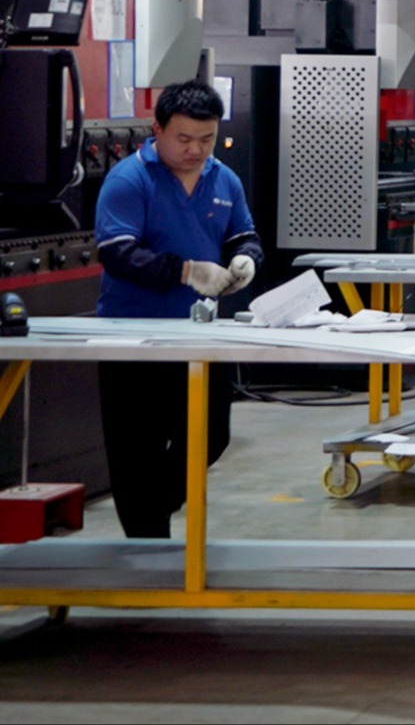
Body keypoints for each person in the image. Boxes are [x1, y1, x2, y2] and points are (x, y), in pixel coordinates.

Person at [92, 80, 263, 539]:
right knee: (137, 450)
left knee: (211, 435)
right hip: (133, 339)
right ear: (158, 130)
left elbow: (242, 235)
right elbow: (117, 253)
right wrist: (186, 271)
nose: (196, 150)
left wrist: (246, 258)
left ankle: (152, 512)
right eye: (184, 138)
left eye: (207, 139)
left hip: (201, 335)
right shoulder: (129, 180)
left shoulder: (223, 180)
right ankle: (147, 548)